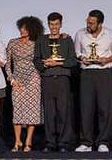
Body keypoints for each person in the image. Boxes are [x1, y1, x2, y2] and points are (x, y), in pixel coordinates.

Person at [73, 9, 112, 153]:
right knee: (86, 108)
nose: (88, 25)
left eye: (92, 23)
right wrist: (82, 58)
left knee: (104, 109)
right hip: (86, 73)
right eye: (88, 22)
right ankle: (86, 142)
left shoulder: (111, 34)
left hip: (104, 73)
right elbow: (77, 53)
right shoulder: (80, 34)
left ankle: (103, 142)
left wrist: (106, 59)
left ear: (100, 23)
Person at [33, 12, 77, 152]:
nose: (54, 27)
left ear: (61, 24)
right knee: (49, 113)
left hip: (63, 79)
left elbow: (72, 60)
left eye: (57, 24)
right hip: (47, 79)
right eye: (51, 24)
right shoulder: (41, 39)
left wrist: (58, 63)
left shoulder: (67, 40)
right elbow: (36, 59)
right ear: (48, 24)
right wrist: (45, 64)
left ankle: (63, 143)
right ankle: (50, 143)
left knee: (63, 112)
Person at [5, 16, 44, 152]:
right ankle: (17, 141)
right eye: (21, 27)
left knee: (32, 110)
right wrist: (12, 79)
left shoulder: (37, 42)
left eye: (25, 28)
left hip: (33, 79)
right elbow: (7, 63)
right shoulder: (13, 43)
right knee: (18, 110)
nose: (22, 30)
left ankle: (28, 142)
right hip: (18, 80)